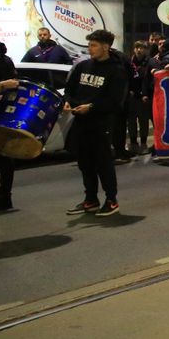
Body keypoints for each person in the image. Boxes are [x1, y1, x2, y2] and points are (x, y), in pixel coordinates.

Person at [64, 30, 128, 217]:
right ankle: (90, 199)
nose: (90, 49)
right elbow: (70, 89)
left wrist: (91, 107)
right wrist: (69, 101)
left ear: (106, 46)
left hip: (102, 123)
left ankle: (111, 200)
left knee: (103, 163)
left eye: (94, 45)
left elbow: (116, 101)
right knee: (85, 163)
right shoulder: (83, 66)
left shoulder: (117, 71)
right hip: (81, 121)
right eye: (89, 45)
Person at [0, 43, 19, 211]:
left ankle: (4, 197)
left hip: (2, 114)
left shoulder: (5, 61)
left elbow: (15, 86)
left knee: (5, 157)